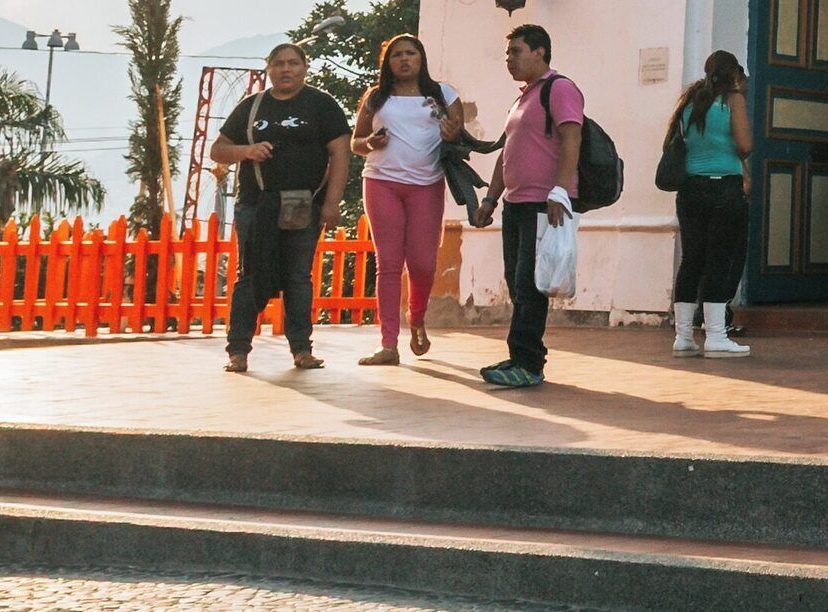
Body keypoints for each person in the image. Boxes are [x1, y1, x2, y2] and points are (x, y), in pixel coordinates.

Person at [214, 42, 354, 375]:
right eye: (279, 64)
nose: (286, 69)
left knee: (297, 277)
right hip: (255, 204)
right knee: (249, 276)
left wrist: (332, 203)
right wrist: (247, 151)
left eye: (293, 63)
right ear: (268, 69)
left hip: (301, 203)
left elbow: (341, 154)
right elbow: (218, 150)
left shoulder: (321, 105)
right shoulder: (252, 107)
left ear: (305, 67)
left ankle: (302, 349)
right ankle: (238, 351)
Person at [347, 34, 471, 367]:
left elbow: (458, 134)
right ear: (387, 63)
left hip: (427, 185)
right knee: (388, 263)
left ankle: (416, 318)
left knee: (422, 263)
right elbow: (355, 143)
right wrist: (370, 142)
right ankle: (388, 343)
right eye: (396, 55)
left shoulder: (442, 94)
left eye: (410, 54)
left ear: (421, 58)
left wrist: (451, 133)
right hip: (381, 182)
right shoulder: (377, 97)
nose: (404, 60)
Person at [481, 23, 584, 390]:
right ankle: (519, 355)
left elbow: (572, 136)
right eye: (508, 53)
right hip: (516, 203)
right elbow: (506, 151)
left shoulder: (560, 89)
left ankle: (528, 363)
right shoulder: (524, 98)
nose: (509, 60)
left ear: (540, 51)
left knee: (530, 284)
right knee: (517, 281)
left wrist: (559, 191)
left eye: (516, 52)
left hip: (545, 204)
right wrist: (491, 199)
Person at [664, 49, 754, 359]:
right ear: (733, 76)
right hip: (724, 190)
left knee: (692, 259)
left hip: (690, 190)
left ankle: (683, 337)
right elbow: (745, 145)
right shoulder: (733, 100)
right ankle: (716, 336)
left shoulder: (691, 102)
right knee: (720, 259)